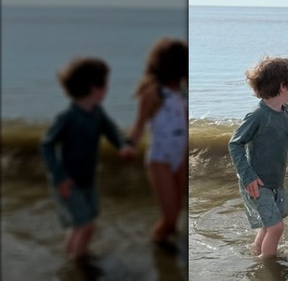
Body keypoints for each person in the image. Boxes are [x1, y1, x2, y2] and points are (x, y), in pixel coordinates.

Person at [228, 57, 288, 257]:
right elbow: (235, 144)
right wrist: (248, 177)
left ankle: (256, 254)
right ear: (283, 86)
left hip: (275, 181)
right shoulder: (258, 116)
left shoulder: (286, 112)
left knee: (268, 225)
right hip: (257, 183)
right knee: (276, 228)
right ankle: (268, 267)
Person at [40, 57, 137, 260]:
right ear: (95, 87)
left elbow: (112, 132)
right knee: (86, 225)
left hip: (87, 179)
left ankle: (71, 257)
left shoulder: (97, 113)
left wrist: (124, 145)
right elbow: (46, 145)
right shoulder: (68, 117)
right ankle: (77, 264)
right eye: (105, 82)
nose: (108, 87)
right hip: (68, 182)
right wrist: (59, 178)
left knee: (83, 223)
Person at [128, 38, 188, 246]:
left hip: (179, 157)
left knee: (176, 215)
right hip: (160, 158)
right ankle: (155, 246)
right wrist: (129, 145)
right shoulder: (153, 94)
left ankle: (167, 253)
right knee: (170, 218)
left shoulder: (182, 93)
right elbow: (138, 125)